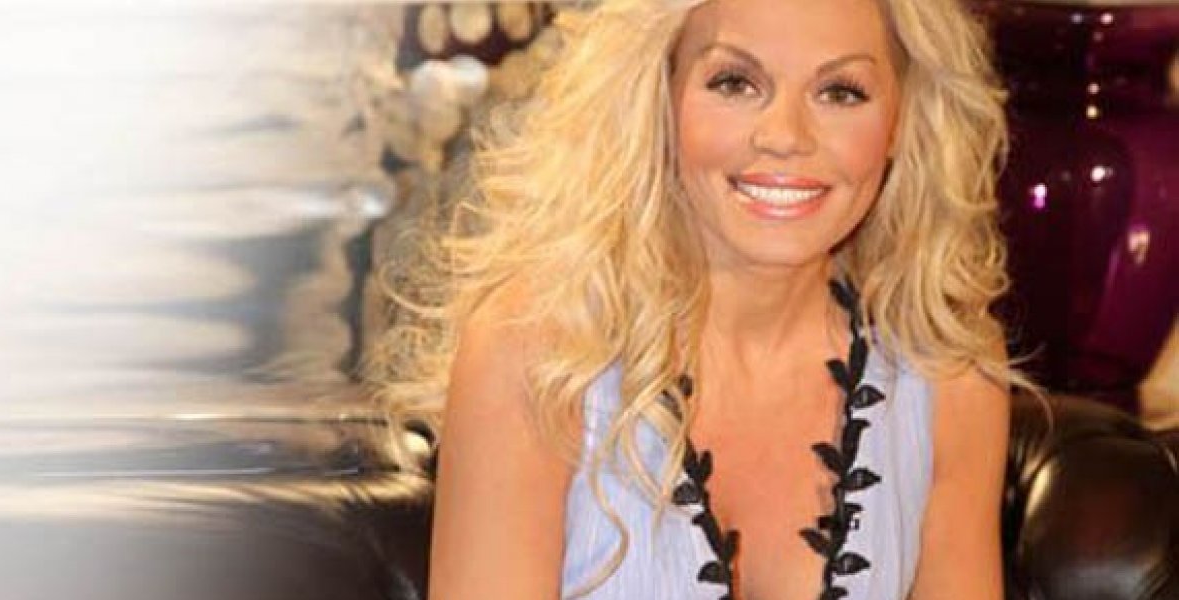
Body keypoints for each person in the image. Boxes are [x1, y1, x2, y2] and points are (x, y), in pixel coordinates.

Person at [366, 0, 1031, 597]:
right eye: (735, 82)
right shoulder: (537, 351)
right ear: (659, 98)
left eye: (840, 92)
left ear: (902, 123)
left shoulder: (949, 376)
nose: (785, 135)